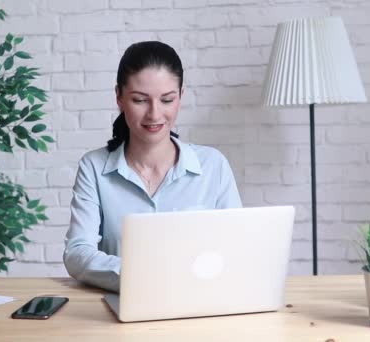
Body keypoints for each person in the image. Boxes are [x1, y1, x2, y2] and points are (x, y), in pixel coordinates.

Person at [63, 41, 242, 292]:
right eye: (140, 100)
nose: (155, 114)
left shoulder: (213, 165)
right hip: (121, 308)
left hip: (199, 304)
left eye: (167, 100)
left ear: (181, 96)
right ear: (119, 97)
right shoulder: (94, 167)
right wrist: (142, 275)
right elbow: (77, 253)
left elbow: (236, 250)